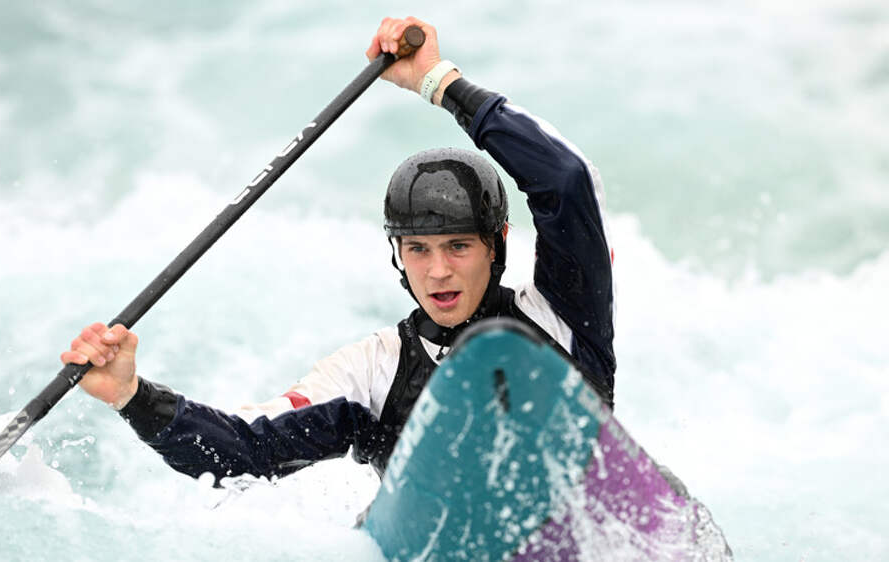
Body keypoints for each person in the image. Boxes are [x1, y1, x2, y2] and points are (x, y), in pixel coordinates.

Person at [60, 17, 616, 483]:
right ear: (398, 254)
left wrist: (437, 81)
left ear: (497, 245)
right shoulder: (373, 371)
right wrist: (131, 395)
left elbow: (566, 181)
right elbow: (245, 450)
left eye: (458, 246)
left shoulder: (563, 311)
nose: (438, 271)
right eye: (417, 249)